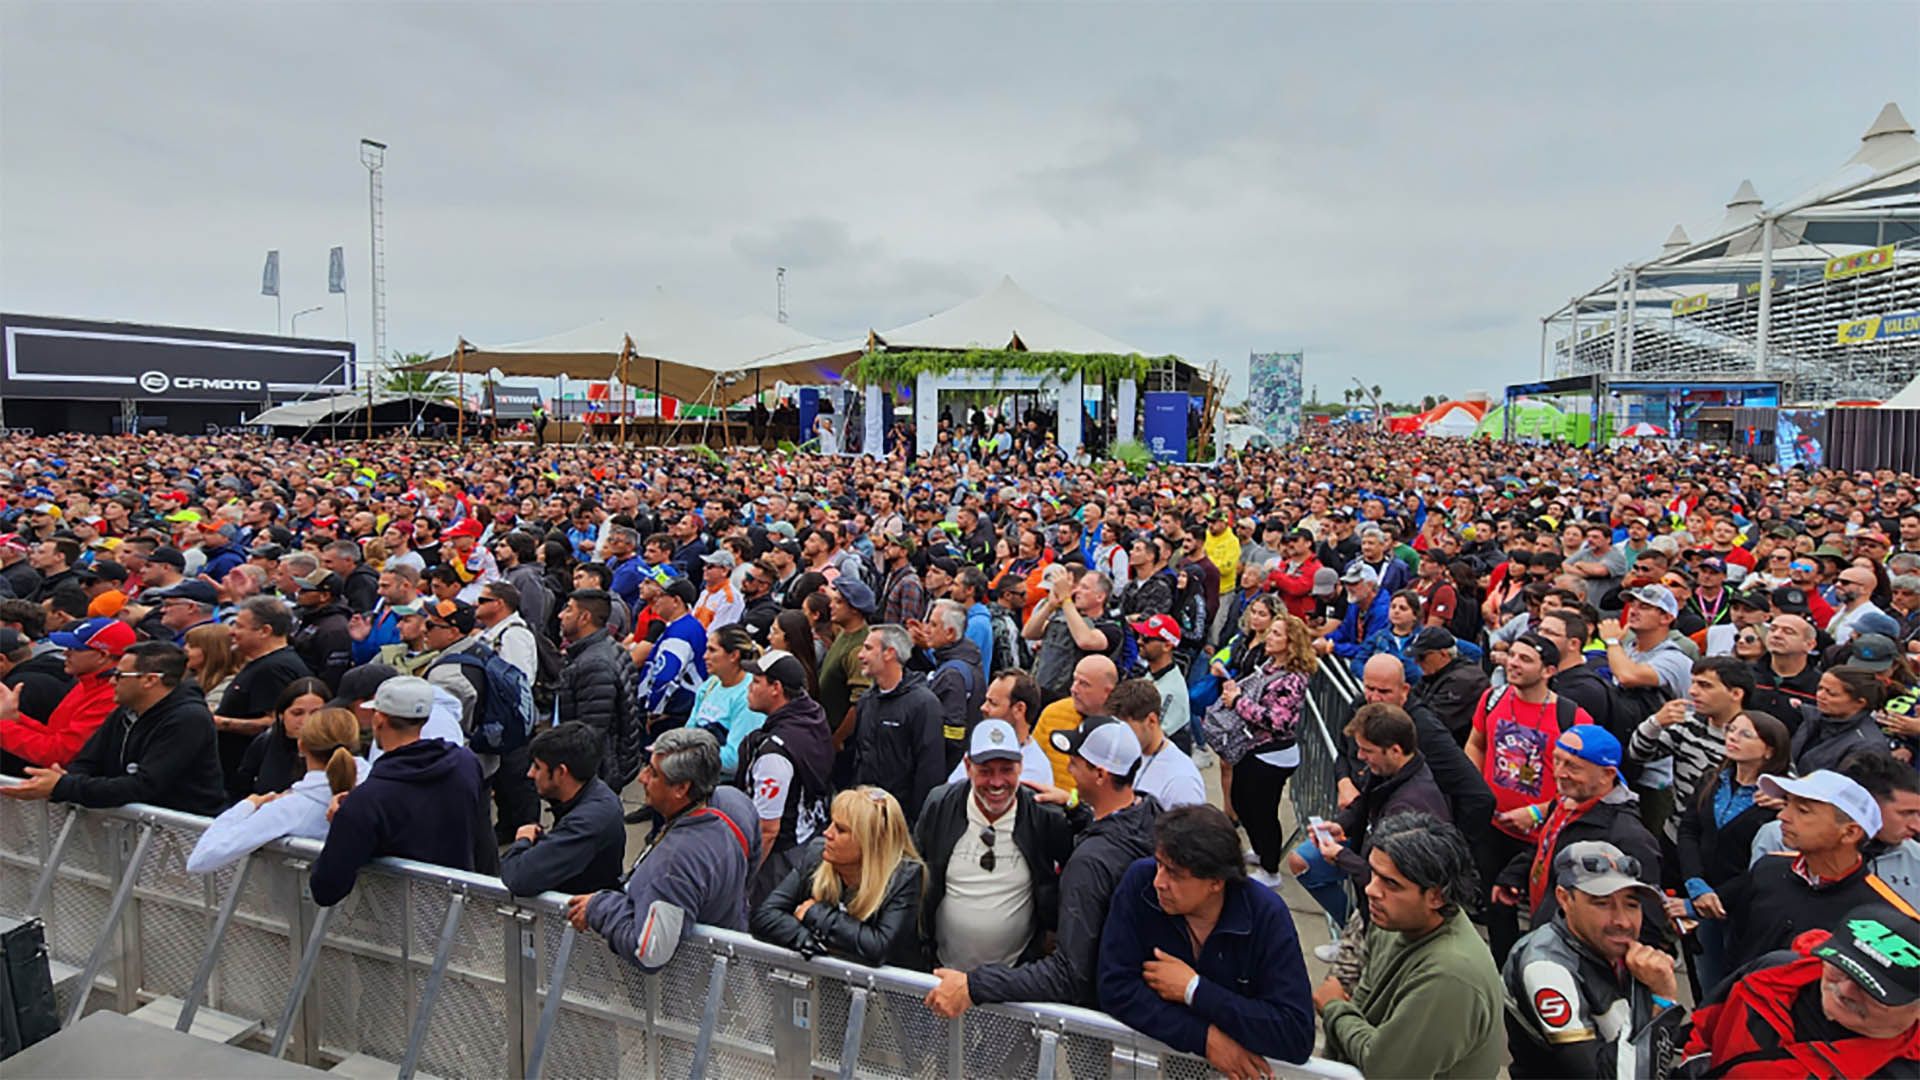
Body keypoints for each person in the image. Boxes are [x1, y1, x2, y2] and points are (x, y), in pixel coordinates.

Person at [927, 714, 1159, 1016]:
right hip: (948, 976)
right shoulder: (1151, 813)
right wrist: (1077, 807)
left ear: (1100, 774)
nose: (1068, 767)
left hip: (1068, 1011)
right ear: (968, 767)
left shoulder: (1084, 856)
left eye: (1075, 760)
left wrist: (975, 985)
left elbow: (1069, 974)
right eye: (985, 770)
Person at [1098, 805, 1315, 1071]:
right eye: (1159, 864)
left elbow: (1295, 1034)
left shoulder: (1265, 915)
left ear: (1216, 882)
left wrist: (1194, 990)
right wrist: (1204, 1038)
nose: (1159, 882)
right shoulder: (1140, 882)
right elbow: (1115, 987)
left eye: (1175, 873)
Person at [1315, 812, 1507, 1078]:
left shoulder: (1451, 975)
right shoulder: (1396, 923)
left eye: (1391, 883)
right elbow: (1366, 1004)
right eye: (1374, 874)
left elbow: (1387, 1070)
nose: (1371, 889)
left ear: (1436, 897)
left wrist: (1335, 1009)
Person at [569, 729, 758, 971]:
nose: (642, 778)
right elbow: (749, 875)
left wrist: (600, 907)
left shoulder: (674, 863)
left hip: (684, 990)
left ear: (681, 788)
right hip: (726, 966)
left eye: (653, 773)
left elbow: (650, 952)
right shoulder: (736, 801)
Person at [1502, 840, 1687, 1079]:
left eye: (1631, 904)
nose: (1623, 921)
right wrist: (1662, 1001)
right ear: (1565, 899)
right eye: (1602, 904)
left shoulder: (1623, 952)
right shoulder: (1545, 966)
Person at [1681, 902, 1920, 1076]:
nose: (1845, 990)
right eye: (1841, 967)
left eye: (1873, 990)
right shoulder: (1773, 970)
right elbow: (1706, 1026)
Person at [309, 676, 486, 906]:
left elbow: (326, 889)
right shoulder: (465, 763)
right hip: (457, 910)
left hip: (395, 922)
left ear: (379, 719)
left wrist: (345, 821)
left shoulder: (368, 799)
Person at [913, 719, 1074, 969]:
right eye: (985, 771)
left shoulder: (1043, 816)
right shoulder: (939, 805)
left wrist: (1074, 805)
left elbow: (1081, 860)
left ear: (1021, 766)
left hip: (1014, 980)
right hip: (942, 971)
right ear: (968, 766)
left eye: (1007, 769)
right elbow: (915, 873)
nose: (997, 782)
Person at [1493, 725, 1664, 958]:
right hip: (1547, 936)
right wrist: (1515, 875)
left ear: (1607, 775)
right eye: (1557, 760)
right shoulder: (1567, 802)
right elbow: (1548, 846)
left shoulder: (1626, 836)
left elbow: (1647, 921)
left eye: (1573, 766)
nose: (1559, 773)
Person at [1, 641, 226, 815]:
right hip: (134, 830)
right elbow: (87, 760)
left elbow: (145, 784)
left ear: (150, 680)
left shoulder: (189, 719)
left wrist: (64, 786)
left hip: (180, 833)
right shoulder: (124, 710)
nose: (111, 682)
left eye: (119, 676)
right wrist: (65, 777)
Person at [1288, 703, 1449, 930]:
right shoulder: (1387, 772)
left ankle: (1361, 932)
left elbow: (1387, 879)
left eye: (1368, 750)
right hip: (1369, 871)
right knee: (1304, 861)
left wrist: (1341, 855)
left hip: (1393, 907)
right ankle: (1354, 926)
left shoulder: (1411, 807)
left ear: (1395, 750)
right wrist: (1339, 826)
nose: (1361, 757)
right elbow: (1362, 805)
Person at [1721, 770, 1903, 969]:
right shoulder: (1767, 870)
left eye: (1803, 811)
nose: (1783, 816)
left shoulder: (1880, 914)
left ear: (1850, 832)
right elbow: (1736, 952)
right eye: (1786, 804)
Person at [1676, 710, 1794, 991]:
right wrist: (1695, 883)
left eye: (1746, 734)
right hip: (1705, 898)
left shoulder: (1778, 800)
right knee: (1706, 983)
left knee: (1737, 985)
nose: (1733, 738)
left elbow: (1765, 866)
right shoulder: (1712, 780)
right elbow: (1689, 829)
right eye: (1732, 730)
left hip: (1745, 904)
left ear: (1769, 750)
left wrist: (1714, 897)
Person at [751, 786, 927, 968]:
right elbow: (765, 915)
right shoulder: (817, 855)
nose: (827, 833)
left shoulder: (904, 877)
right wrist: (806, 939)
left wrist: (815, 913)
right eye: (831, 823)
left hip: (882, 992)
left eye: (841, 830)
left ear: (869, 843)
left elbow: (879, 947)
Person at [187, 706, 368, 874]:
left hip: (301, 904)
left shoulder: (288, 808)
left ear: (301, 746)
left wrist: (247, 805)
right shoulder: (378, 788)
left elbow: (201, 860)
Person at [735, 647, 835, 903]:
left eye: (757, 681)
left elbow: (767, 829)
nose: (749, 686)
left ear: (776, 688)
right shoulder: (812, 715)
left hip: (779, 857)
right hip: (809, 836)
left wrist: (743, 878)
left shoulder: (775, 754)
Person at [500, 721, 626, 896]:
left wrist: (523, 841)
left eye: (537, 767)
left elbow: (518, 877)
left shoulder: (589, 821)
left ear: (560, 772)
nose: (530, 774)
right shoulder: (590, 794)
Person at [0, 615, 129, 769]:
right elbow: (55, 734)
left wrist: (3, 727)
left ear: (102, 656)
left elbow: (59, 754)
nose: (65, 653)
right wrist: (17, 719)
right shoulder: (86, 683)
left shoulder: (113, 695)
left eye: (74, 649)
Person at [850, 624, 946, 826]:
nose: (860, 655)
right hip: (866, 818)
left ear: (889, 653)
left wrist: (917, 824)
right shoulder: (867, 701)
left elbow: (930, 770)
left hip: (901, 823)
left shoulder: (923, 704)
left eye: (868, 648)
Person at [216, 596, 313, 793]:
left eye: (240, 626)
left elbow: (274, 722)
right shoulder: (265, 664)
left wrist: (219, 722)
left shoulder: (274, 669)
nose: (232, 632)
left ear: (265, 631)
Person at [556, 588, 639, 788]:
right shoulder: (608, 648)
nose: (560, 616)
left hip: (598, 773)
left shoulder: (594, 665)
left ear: (584, 617)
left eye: (568, 610)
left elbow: (590, 735)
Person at [1106, 676, 1207, 809]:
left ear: (1151, 721)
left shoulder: (1181, 782)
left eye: (1126, 729)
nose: (1120, 737)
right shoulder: (1127, 753)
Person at [1026, 565, 1122, 703]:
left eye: (1085, 588)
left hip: (1076, 701)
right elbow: (1029, 632)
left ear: (1100, 596)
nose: (1077, 591)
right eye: (1078, 586)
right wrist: (1050, 606)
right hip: (1042, 692)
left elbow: (1084, 640)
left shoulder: (1110, 628)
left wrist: (1066, 600)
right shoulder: (1064, 618)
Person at [686, 625, 766, 775]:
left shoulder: (748, 696)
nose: (705, 656)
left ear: (733, 655)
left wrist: (691, 754)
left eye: (712, 650)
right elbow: (689, 729)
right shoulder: (711, 683)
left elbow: (734, 759)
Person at [634, 577, 707, 738]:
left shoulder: (680, 633)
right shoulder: (686, 625)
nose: (656, 601)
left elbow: (665, 676)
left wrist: (653, 710)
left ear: (675, 601)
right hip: (679, 709)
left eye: (660, 596)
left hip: (672, 714)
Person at [235, 677, 332, 796]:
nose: (306, 721)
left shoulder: (337, 751)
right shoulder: (264, 743)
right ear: (281, 715)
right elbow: (240, 788)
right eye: (297, 713)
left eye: (316, 714)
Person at [1795, 666, 1892, 774]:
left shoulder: (1868, 747)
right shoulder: (1813, 718)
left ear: (1860, 703)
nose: (1820, 695)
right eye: (1820, 688)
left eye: (1831, 693)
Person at [1409, 626, 1488, 744]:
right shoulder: (1435, 673)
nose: (1416, 662)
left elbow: (1431, 723)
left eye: (1422, 657)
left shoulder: (1464, 680)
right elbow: (1410, 699)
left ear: (1443, 654)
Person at [1129, 612, 1194, 749]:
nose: (1139, 641)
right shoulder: (1151, 672)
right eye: (1139, 636)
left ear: (1167, 646)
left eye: (1146, 638)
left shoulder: (1171, 691)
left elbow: (1154, 740)